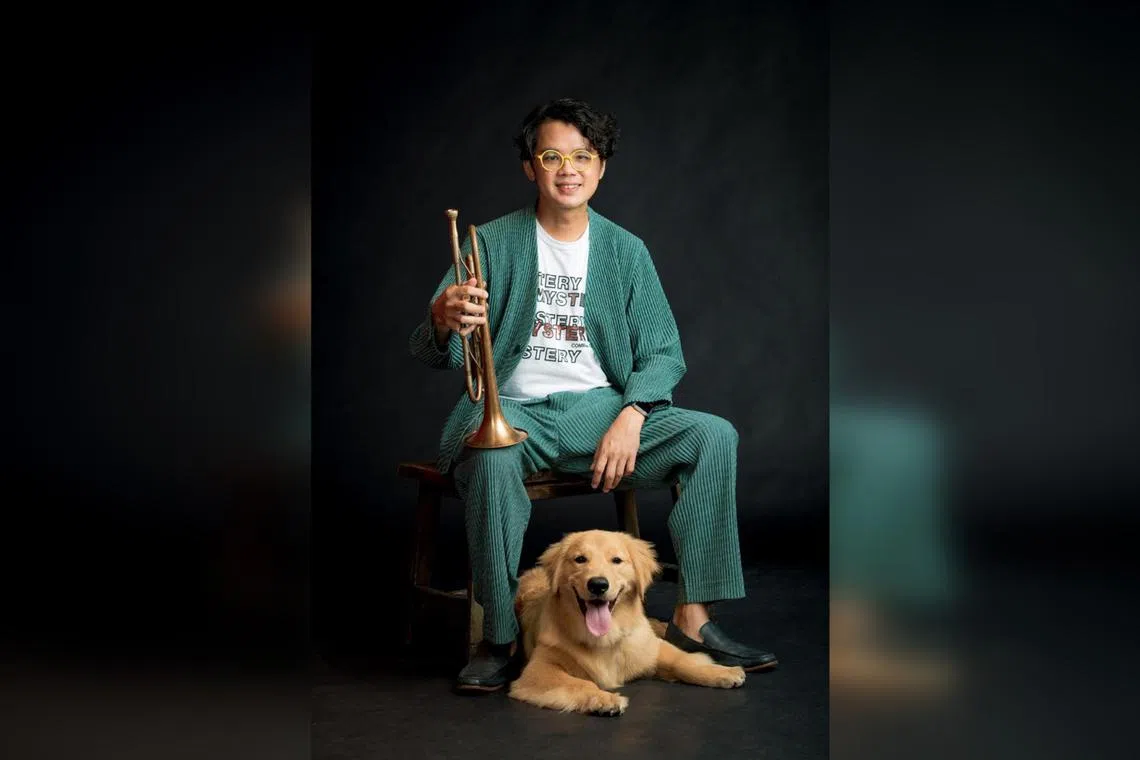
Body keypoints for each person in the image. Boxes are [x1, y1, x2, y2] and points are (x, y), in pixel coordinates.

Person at [408, 97, 777, 693]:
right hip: (513, 416)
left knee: (714, 434)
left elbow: (663, 352)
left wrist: (632, 414)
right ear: (531, 166)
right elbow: (427, 350)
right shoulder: (489, 243)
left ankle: (693, 616)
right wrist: (443, 317)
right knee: (492, 458)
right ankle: (498, 637)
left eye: (583, 156)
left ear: (601, 168)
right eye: (551, 155)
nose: (568, 169)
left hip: (602, 413)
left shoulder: (627, 250)